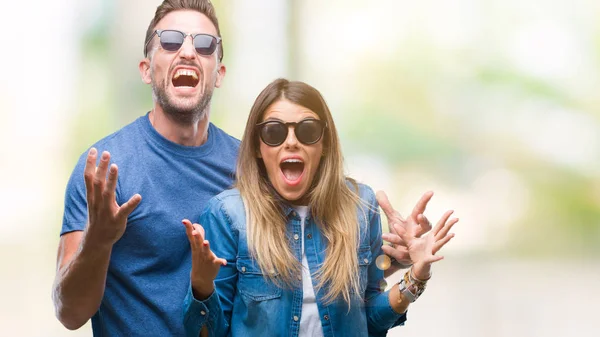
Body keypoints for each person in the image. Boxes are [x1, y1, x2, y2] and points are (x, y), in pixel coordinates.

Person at [182, 79, 458, 337]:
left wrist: (416, 277)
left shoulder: (360, 207)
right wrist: (202, 286)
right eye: (274, 131)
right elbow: (209, 332)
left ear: (324, 143)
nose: (291, 141)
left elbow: (369, 321)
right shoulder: (228, 214)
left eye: (307, 130)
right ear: (257, 146)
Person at [52, 1, 239, 336]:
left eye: (204, 44)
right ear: (146, 69)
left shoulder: (247, 167)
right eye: (170, 40)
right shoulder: (103, 171)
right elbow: (69, 313)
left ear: (219, 74)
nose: (187, 52)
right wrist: (99, 239)